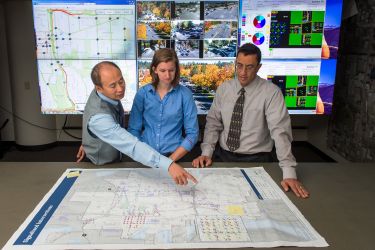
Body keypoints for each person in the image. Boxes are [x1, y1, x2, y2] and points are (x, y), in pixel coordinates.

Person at [192, 43, 309, 198]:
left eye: (249, 67)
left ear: (259, 67)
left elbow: (280, 131)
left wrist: (289, 173)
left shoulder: (271, 93)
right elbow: (213, 123)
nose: (243, 72)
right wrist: (206, 152)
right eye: (239, 66)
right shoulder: (224, 89)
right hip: (223, 157)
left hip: (259, 159)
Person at [77, 61, 197, 185]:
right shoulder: (99, 119)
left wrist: (89, 139)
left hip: (121, 158)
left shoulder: (105, 92)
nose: (120, 88)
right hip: (101, 166)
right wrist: (169, 165)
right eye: (113, 86)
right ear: (99, 88)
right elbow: (131, 145)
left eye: (121, 81)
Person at [128, 48, 199, 162]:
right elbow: (133, 130)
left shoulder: (185, 95)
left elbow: (193, 134)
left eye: (171, 70)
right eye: (162, 70)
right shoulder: (143, 94)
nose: (167, 75)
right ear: (154, 69)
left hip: (176, 158)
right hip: (145, 157)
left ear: (176, 70)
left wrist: (169, 161)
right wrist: (144, 154)